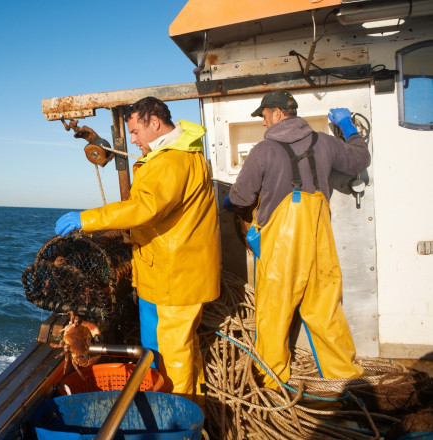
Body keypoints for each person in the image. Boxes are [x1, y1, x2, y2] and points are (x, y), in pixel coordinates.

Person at [55, 96, 220, 403]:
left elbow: (145, 207)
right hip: (168, 271)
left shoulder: (172, 160)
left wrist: (87, 219)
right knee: (178, 350)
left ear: (154, 123)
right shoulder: (180, 154)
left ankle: (179, 416)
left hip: (175, 275)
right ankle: (190, 407)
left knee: (175, 356)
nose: (132, 139)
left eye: (135, 131)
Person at [223, 89, 370, 389]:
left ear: (277, 113)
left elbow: (242, 197)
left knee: (274, 310)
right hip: (319, 237)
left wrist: (229, 202)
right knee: (326, 307)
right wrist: (348, 127)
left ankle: (272, 380)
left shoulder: (263, 151)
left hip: (281, 245)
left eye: (265, 116)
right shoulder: (325, 142)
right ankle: (344, 377)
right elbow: (360, 159)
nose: (264, 122)